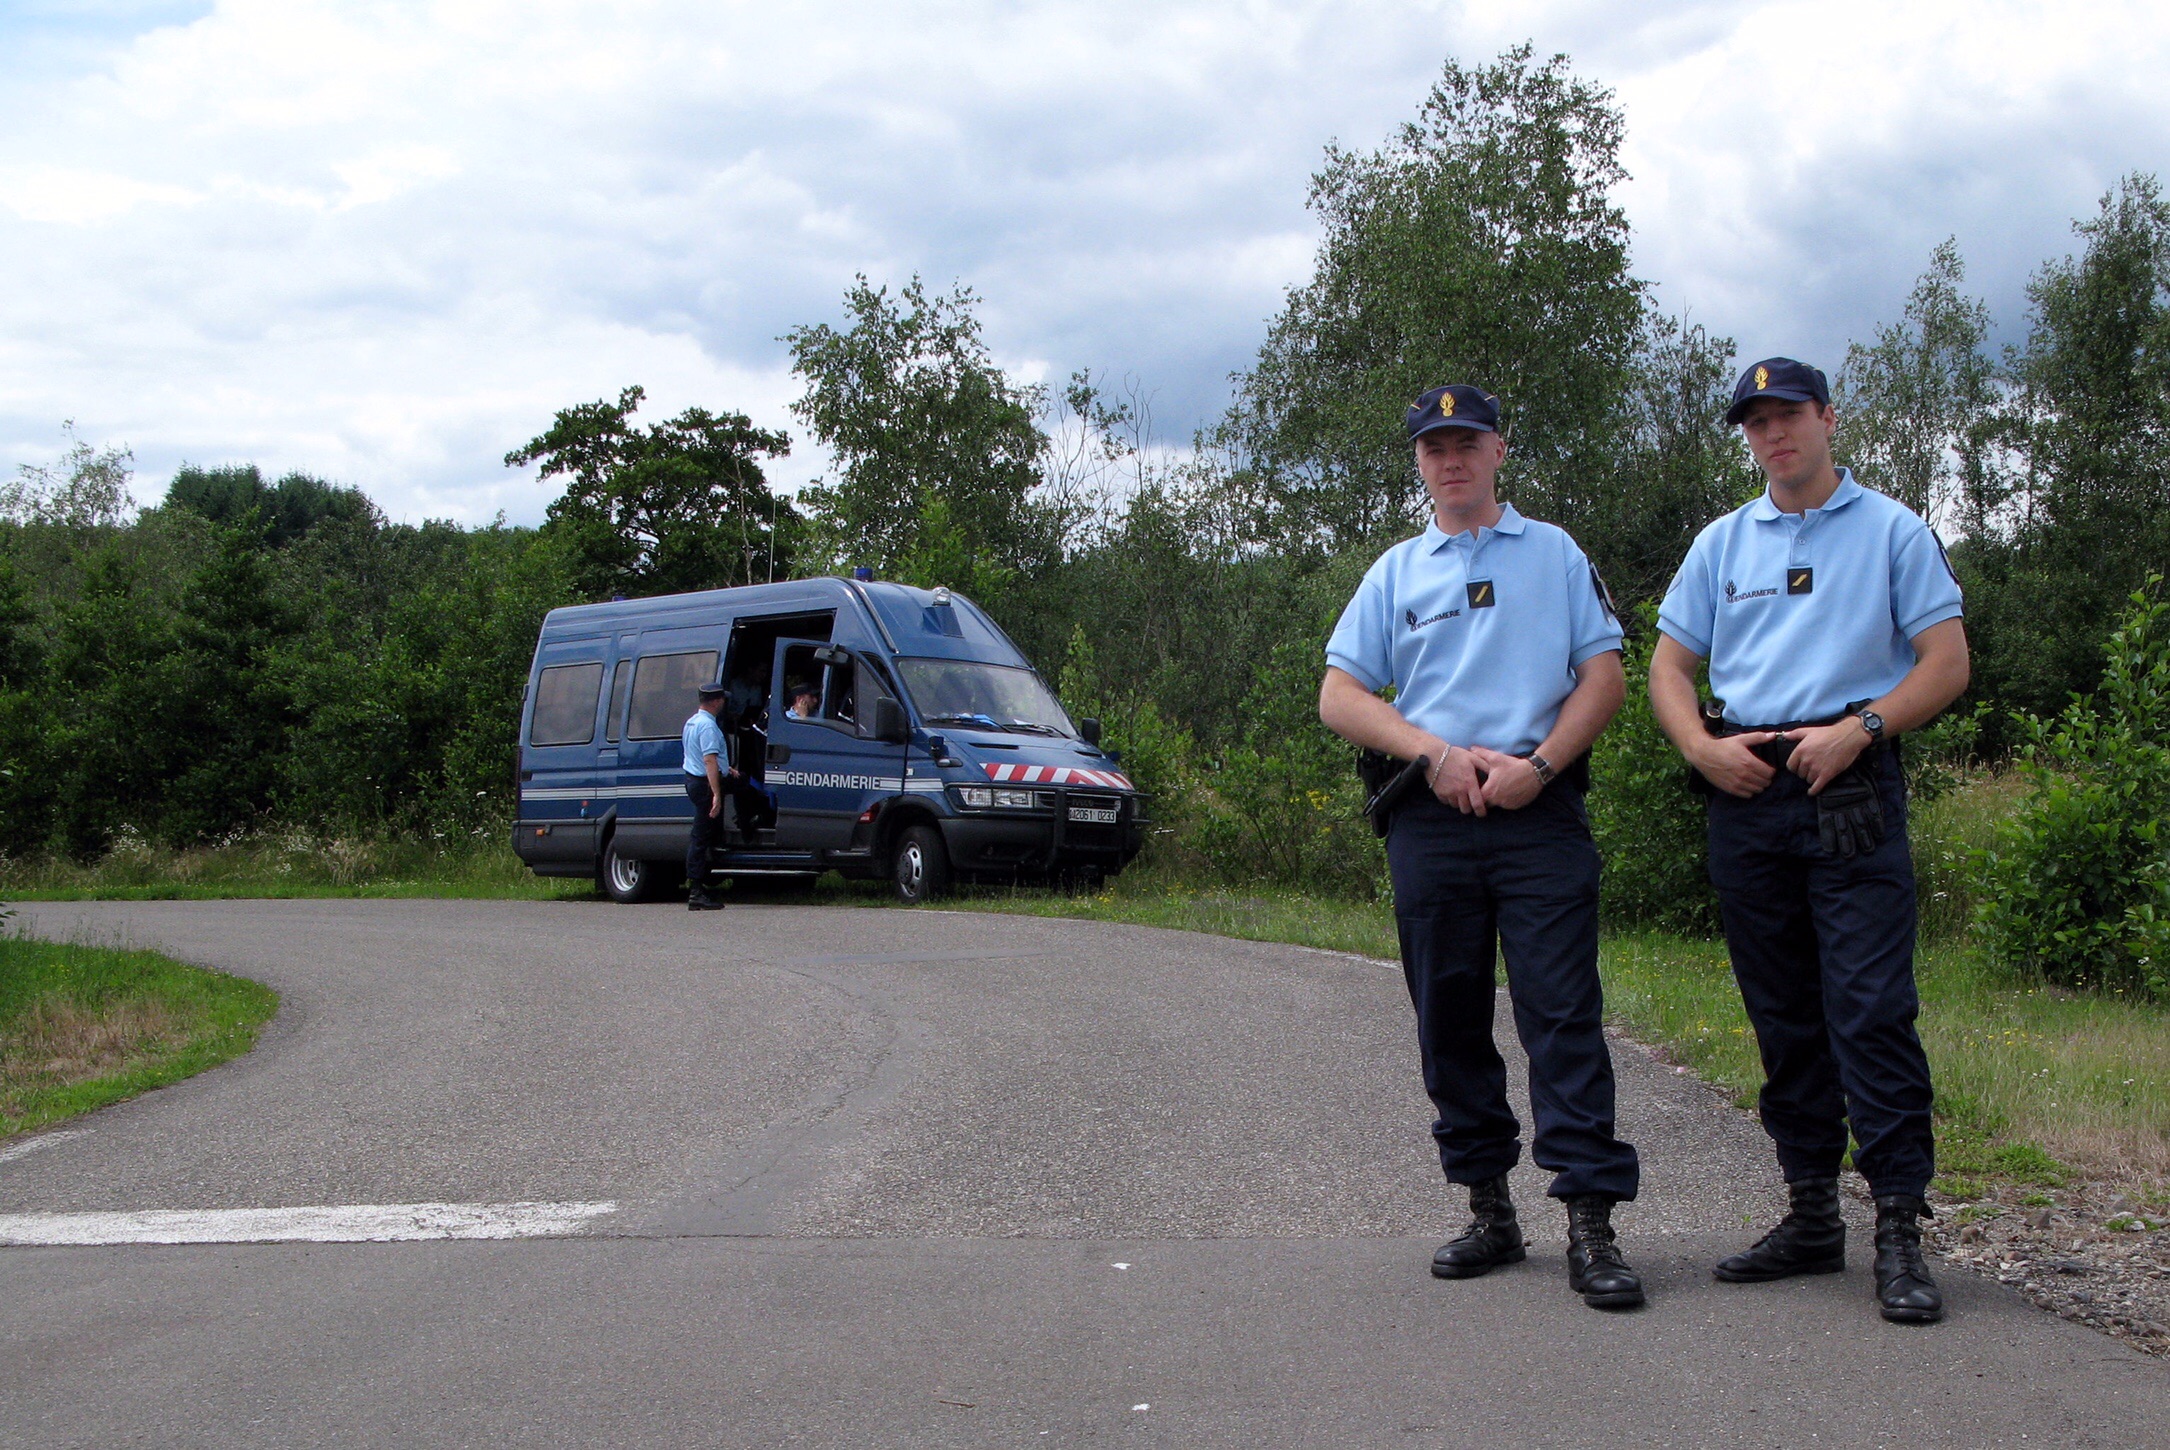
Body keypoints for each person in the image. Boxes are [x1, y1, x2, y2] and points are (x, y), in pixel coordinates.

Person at [1648, 357, 1969, 1325]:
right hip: (1746, 788)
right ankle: (1809, 1213)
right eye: (1755, 422)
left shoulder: (1890, 531)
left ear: (1828, 417)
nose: (1772, 434)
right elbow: (1667, 664)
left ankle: (1900, 1230)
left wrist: (1864, 727)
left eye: (1787, 415)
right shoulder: (1721, 543)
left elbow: (1945, 664)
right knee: (1782, 1014)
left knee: (1868, 1009)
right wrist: (1700, 749)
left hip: (1847, 781)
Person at [1319, 383, 1644, 1311]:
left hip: (1537, 812)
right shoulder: (1396, 572)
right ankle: (1490, 1209)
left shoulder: (1554, 555)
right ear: (1419, 462)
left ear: (1500, 450)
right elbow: (1341, 696)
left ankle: (1591, 1220)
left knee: (1561, 1015)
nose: (1450, 459)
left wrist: (1540, 765)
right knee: (1450, 1019)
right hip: (1434, 818)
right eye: (1433, 447)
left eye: (1467, 443)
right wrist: (1431, 751)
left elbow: (1604, 679)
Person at [682, 681, 732, 911]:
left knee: (703, 834)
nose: (723, 702)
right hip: (704, 784)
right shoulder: (709, 727)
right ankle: (696, 891)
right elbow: (708, 760)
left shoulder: (692, 722)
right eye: (721, 698)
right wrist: (716, 794)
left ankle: (701, 884)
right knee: (700, 837)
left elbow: (705, 757)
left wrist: (727, 768)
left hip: (693, 780)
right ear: (714, 701)